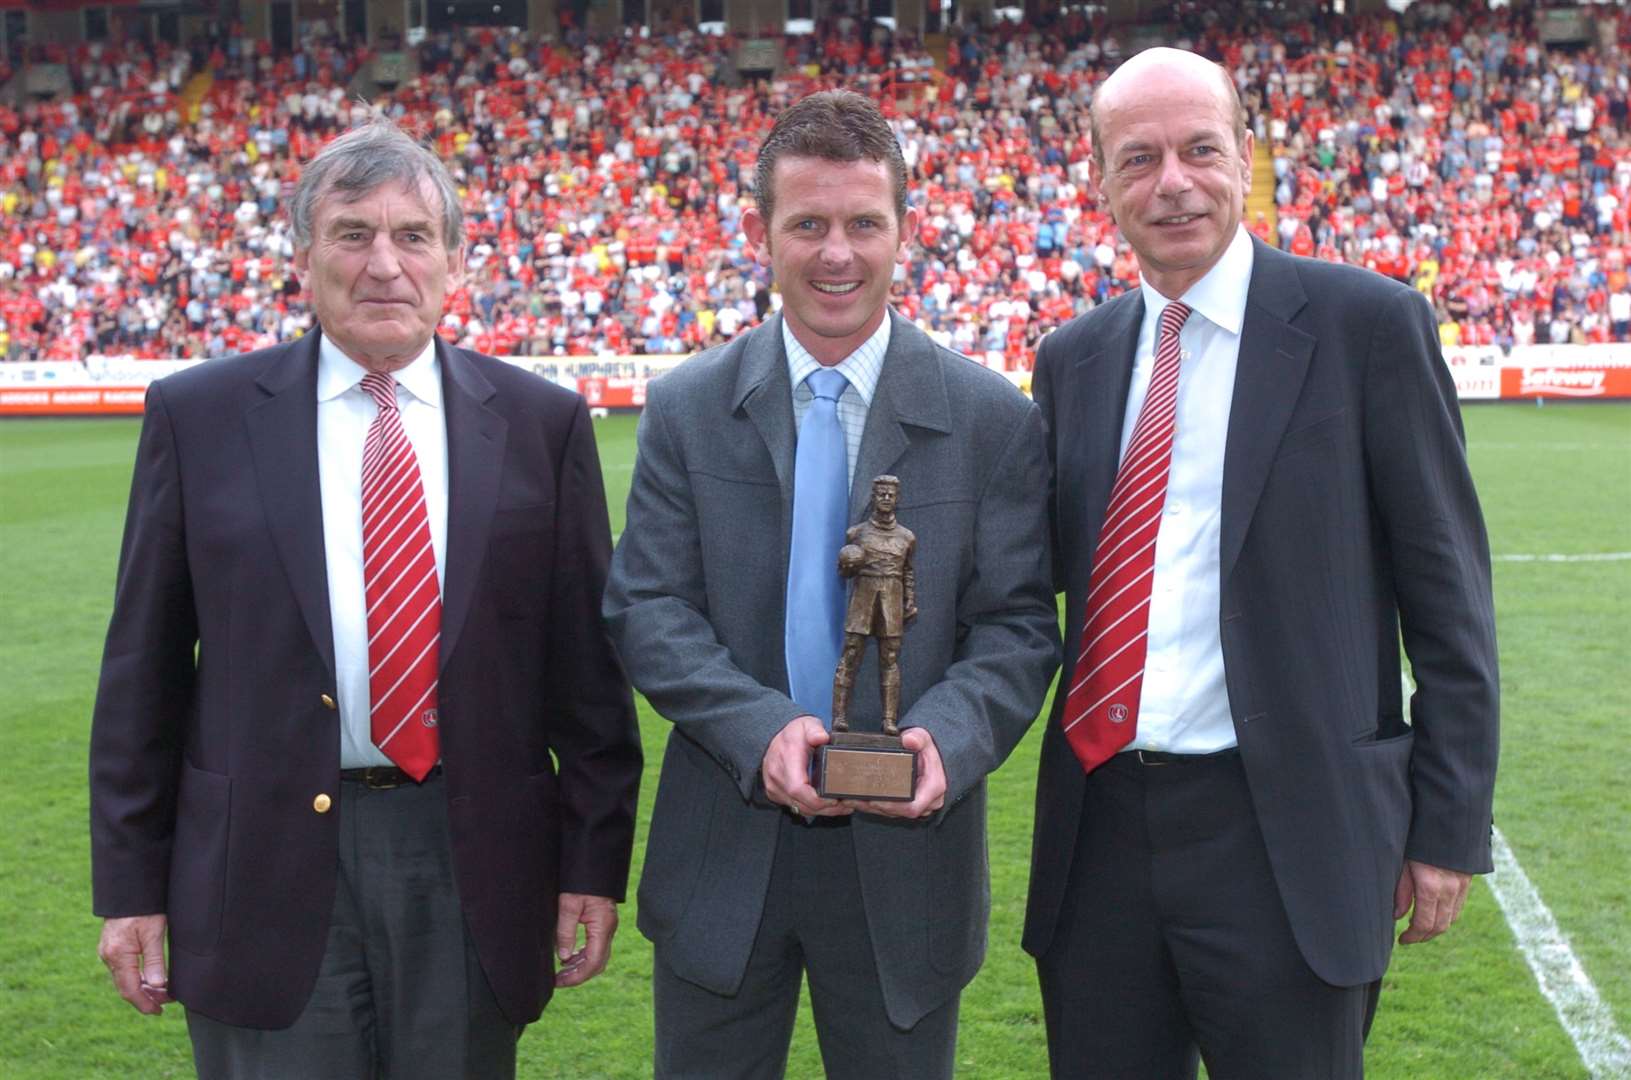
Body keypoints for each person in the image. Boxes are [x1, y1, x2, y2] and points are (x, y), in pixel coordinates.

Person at [88, 116, 643, 1079]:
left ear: (455, 262)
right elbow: (143, 665)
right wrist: (130, 887)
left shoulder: (539, 424)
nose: (383, 262)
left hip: (469, 858)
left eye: (412, 235)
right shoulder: (199, 415)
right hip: (256, 864)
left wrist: (591, 867)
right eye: (352, 233)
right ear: (303, 256)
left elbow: (586, 681)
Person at [1024, 48, 1499, 1079]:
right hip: (1098, 834)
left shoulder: (1366, 326)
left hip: (1288, 832)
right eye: (1137, 158)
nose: (1172, 182)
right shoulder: (1072, 357)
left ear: (1244, 159)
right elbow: (1032, 585)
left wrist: (1448, 824)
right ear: (1098, 181)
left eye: (1200, 150)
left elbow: (1448, 600)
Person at [603, 89, 1058, 1079]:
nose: (835, 253)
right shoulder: (687, 407)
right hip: (724, 851)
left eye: (862, 223)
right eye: (806, 223)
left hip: (905, 864)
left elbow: (1016, 625)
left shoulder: (988, 418)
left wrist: (952, 733)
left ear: (905, 231)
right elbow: (648, 607)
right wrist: (755, 728)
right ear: (761, 233)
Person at [833, 474, 917, 735]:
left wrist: (909, 600)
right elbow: (843, 573)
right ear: (873, 496)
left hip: (891, 594)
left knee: (890, 657)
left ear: (897, 499)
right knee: (851, 653)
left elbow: (908, 572)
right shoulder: (856, 533)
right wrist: (847, 564)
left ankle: (889, 720)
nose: (886, 498)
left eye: (891, 495)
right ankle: (839, 717)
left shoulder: (906, 537)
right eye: (881, 493)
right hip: (864, 595)